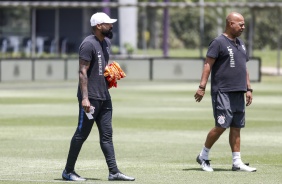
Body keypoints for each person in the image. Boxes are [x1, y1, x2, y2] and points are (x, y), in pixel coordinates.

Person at [62, 12, 135, 181]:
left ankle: (114, 171)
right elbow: (82, 72)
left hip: (104, 96)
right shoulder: (88, 44)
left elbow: (99, 68)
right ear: (98, 26)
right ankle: (68, 171)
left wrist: (108, 75)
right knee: (81, 134)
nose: (111, 26)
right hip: (90, 98)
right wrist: (85, 99)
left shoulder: (106, 43)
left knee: (107, 135)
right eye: (107, 24)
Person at [194, 12, 256, 172]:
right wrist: (202, 87)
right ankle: (203, 156)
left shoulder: (241, 44)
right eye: (240, 24)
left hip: (238, 91)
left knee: (236, 127)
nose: (243, 26)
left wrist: (248, 88)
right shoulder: (218, 42)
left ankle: (237, 162)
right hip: (223, 91)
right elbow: (208, 64)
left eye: (243, 24)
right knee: (221, 125)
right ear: (230, 24)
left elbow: (244, 68)